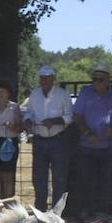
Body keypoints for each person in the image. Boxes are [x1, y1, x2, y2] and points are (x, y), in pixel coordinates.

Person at [72, 64, 112, 217]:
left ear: (108, 80)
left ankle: (102, 211)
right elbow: (77, 116)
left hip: (107, 146)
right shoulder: (85, 93)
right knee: (86, 180)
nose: (97, 82)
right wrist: (87, 133)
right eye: (94, 79)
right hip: (87, 145)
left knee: (106, 181)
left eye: (100, 79)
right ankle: (86, 211)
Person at [24, 65, 74, 212]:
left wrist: (55, 121)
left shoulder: (63, 94)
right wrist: (27, 121)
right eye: (42, 78)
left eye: (47, 78)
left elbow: (69, 117)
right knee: (39, 178)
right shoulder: (34, 94)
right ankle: (40, 210)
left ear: (53, 79)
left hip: (58, 140)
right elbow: (29, 113)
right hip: (39, 139)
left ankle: (58, 212)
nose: (44, 81)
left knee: (59, 178)